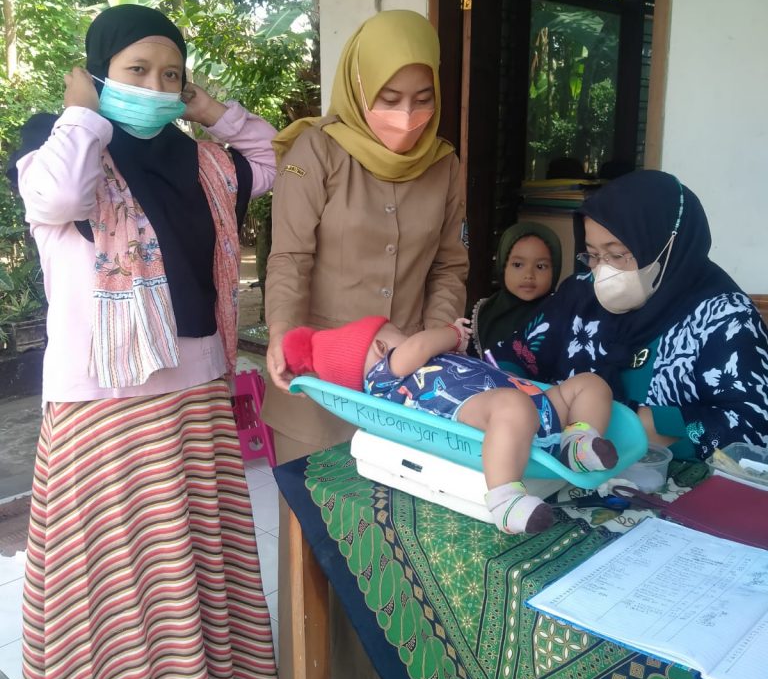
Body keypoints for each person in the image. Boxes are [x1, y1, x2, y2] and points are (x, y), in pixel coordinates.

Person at [9, 4, 280, 679]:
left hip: (195, 392)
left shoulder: (200, 161)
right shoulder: (57, 146)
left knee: (187, 568)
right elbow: (57, 198)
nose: (156, 87)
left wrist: (208, 108)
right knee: (117, 587)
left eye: (171, 74)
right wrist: (82, 113)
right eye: (137, 71)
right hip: (104, 406)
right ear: (98, 74)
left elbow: (266, 156)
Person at [262, 9, 468, 679]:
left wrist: (434, 334)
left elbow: (450, 265)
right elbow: (289, 259)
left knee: (395, 543)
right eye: (389, 99)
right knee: (316, 554)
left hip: (401, 388)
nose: (407, 119)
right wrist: (283, 336)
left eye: (422, 98)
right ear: (358, 88)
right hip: (317, 384)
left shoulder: (445, 166)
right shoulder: (314, 152)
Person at [494, 170, 768, 460]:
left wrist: (633, 424)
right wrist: (504, 394)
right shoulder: (579, 295)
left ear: (666, 245)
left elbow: (753, 426)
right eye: (593, 255)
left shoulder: (726, 318)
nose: (602, 270)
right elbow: (513, 358)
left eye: (616, 255)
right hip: (558, 467)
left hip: (661, 476)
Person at [282, 315, 618, 534]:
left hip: (534, 404)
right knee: (513, 407)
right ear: (381, 347)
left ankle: (577, 442)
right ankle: (505, 500)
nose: (410, 338)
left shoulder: (410, 363)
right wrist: (453, 333)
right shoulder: (385, 374)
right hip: (488, 411)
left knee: (590, 385)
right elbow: (419, 344)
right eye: (400, 333)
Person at [469, 221, 561, 360]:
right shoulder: (482, 314)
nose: (529, 275)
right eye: (518, 265)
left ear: (555, 270)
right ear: (502, 266)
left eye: (541, 266)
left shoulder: (561, 315)